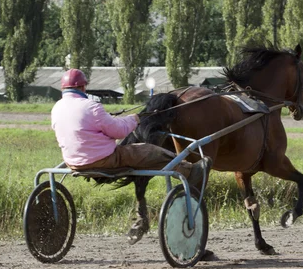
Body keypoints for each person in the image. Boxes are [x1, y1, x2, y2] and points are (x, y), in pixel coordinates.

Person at [51, 69, 211, 191]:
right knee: (150, 151)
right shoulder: (91, 106)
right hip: (104, 160)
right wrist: (134, 119)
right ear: (82, 86)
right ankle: (191, 171)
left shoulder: (56, 108)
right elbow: (119, 132)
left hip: (72, 162)